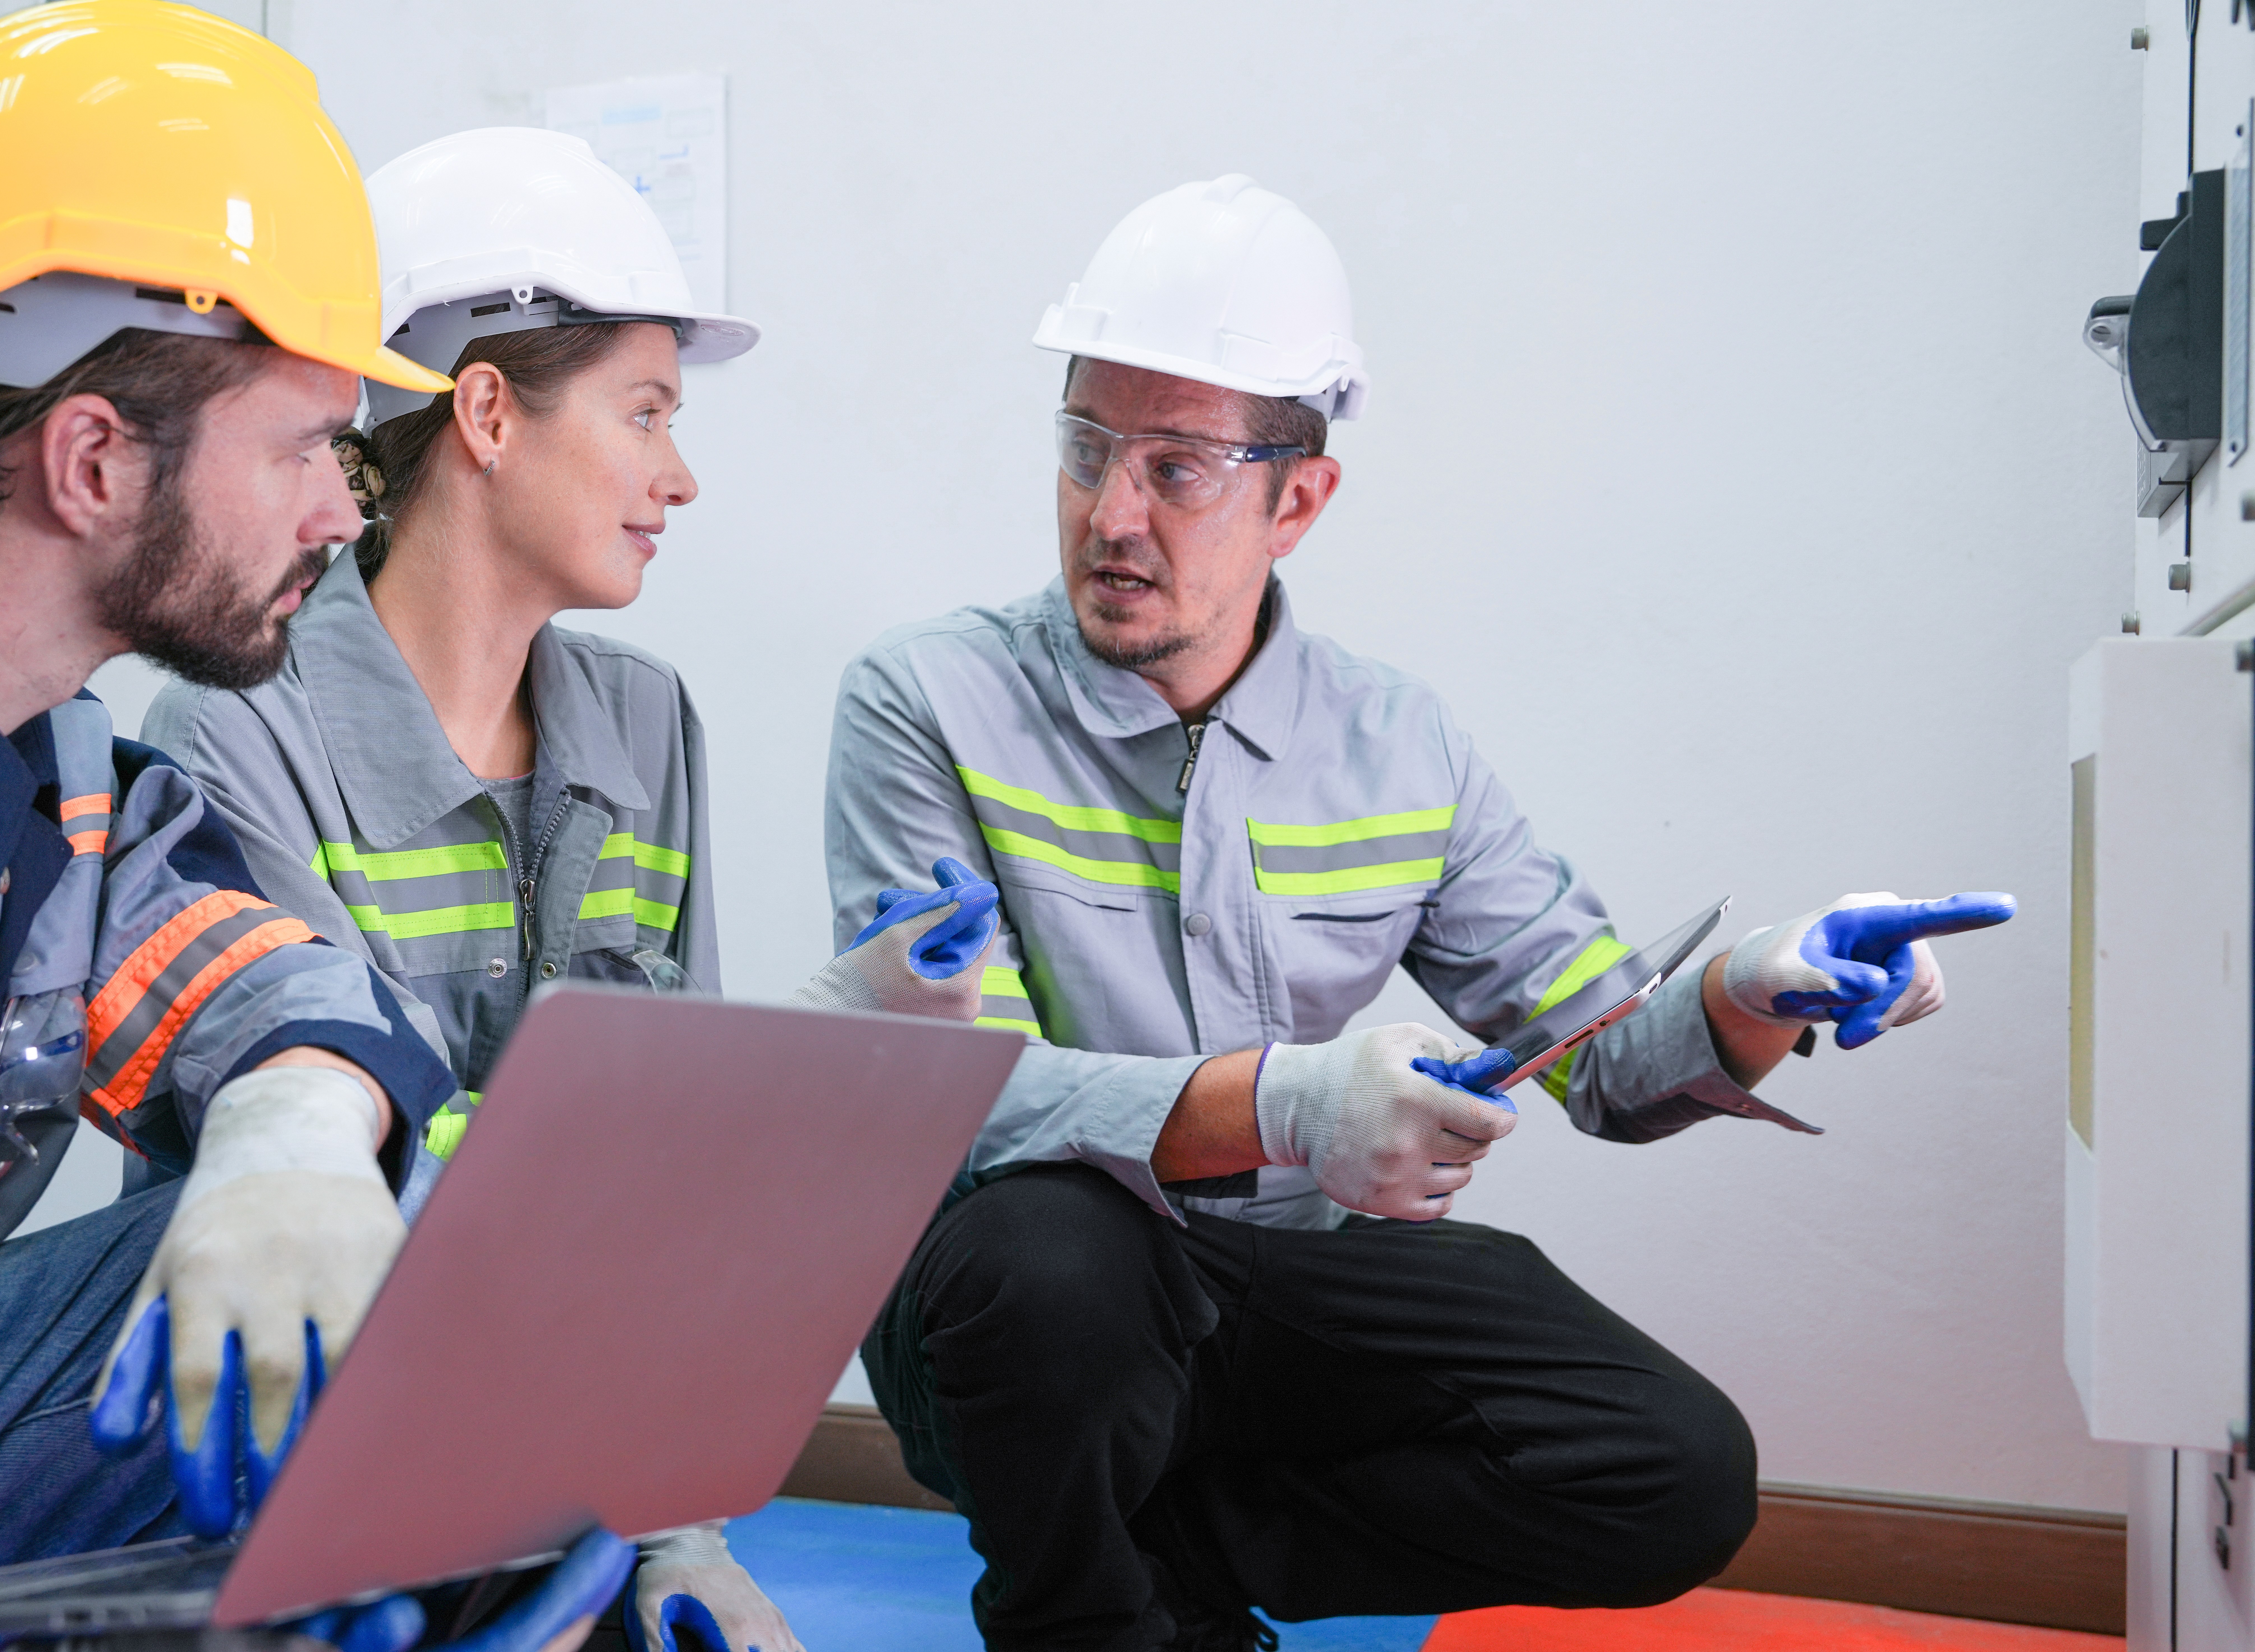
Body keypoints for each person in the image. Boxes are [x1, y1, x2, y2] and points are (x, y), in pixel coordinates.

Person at [823, 173, 2017, 1651]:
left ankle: (1168, 1565)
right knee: (1053, 1261)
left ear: (1298, 499)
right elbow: (950, 1102)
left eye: (1178, 467)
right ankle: (1088, 1623)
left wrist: (1761, 988)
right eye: (1085, 451)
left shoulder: (1401, 747)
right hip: (1024, 1317)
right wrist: (1292, 1101)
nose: (1111, 515)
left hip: (1283, 1286)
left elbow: (1606, 1063)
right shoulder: (923, 703)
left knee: (1674, 1468)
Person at [0, 1, 623, 1652]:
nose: (340, 508)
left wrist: (294, 1131)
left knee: (438, 1272)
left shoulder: (49, 769)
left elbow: (256, 977)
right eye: (304, 445)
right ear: (89, 460)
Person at [142, 126, 999, 1652]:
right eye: (648, 411)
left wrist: (677, 1531)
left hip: (568, 1462)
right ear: (485, 412)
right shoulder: (234, 733)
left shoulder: (647, 724)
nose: (680, 475)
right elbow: (391, 1199)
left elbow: (681, 1190)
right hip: (310, 1460)